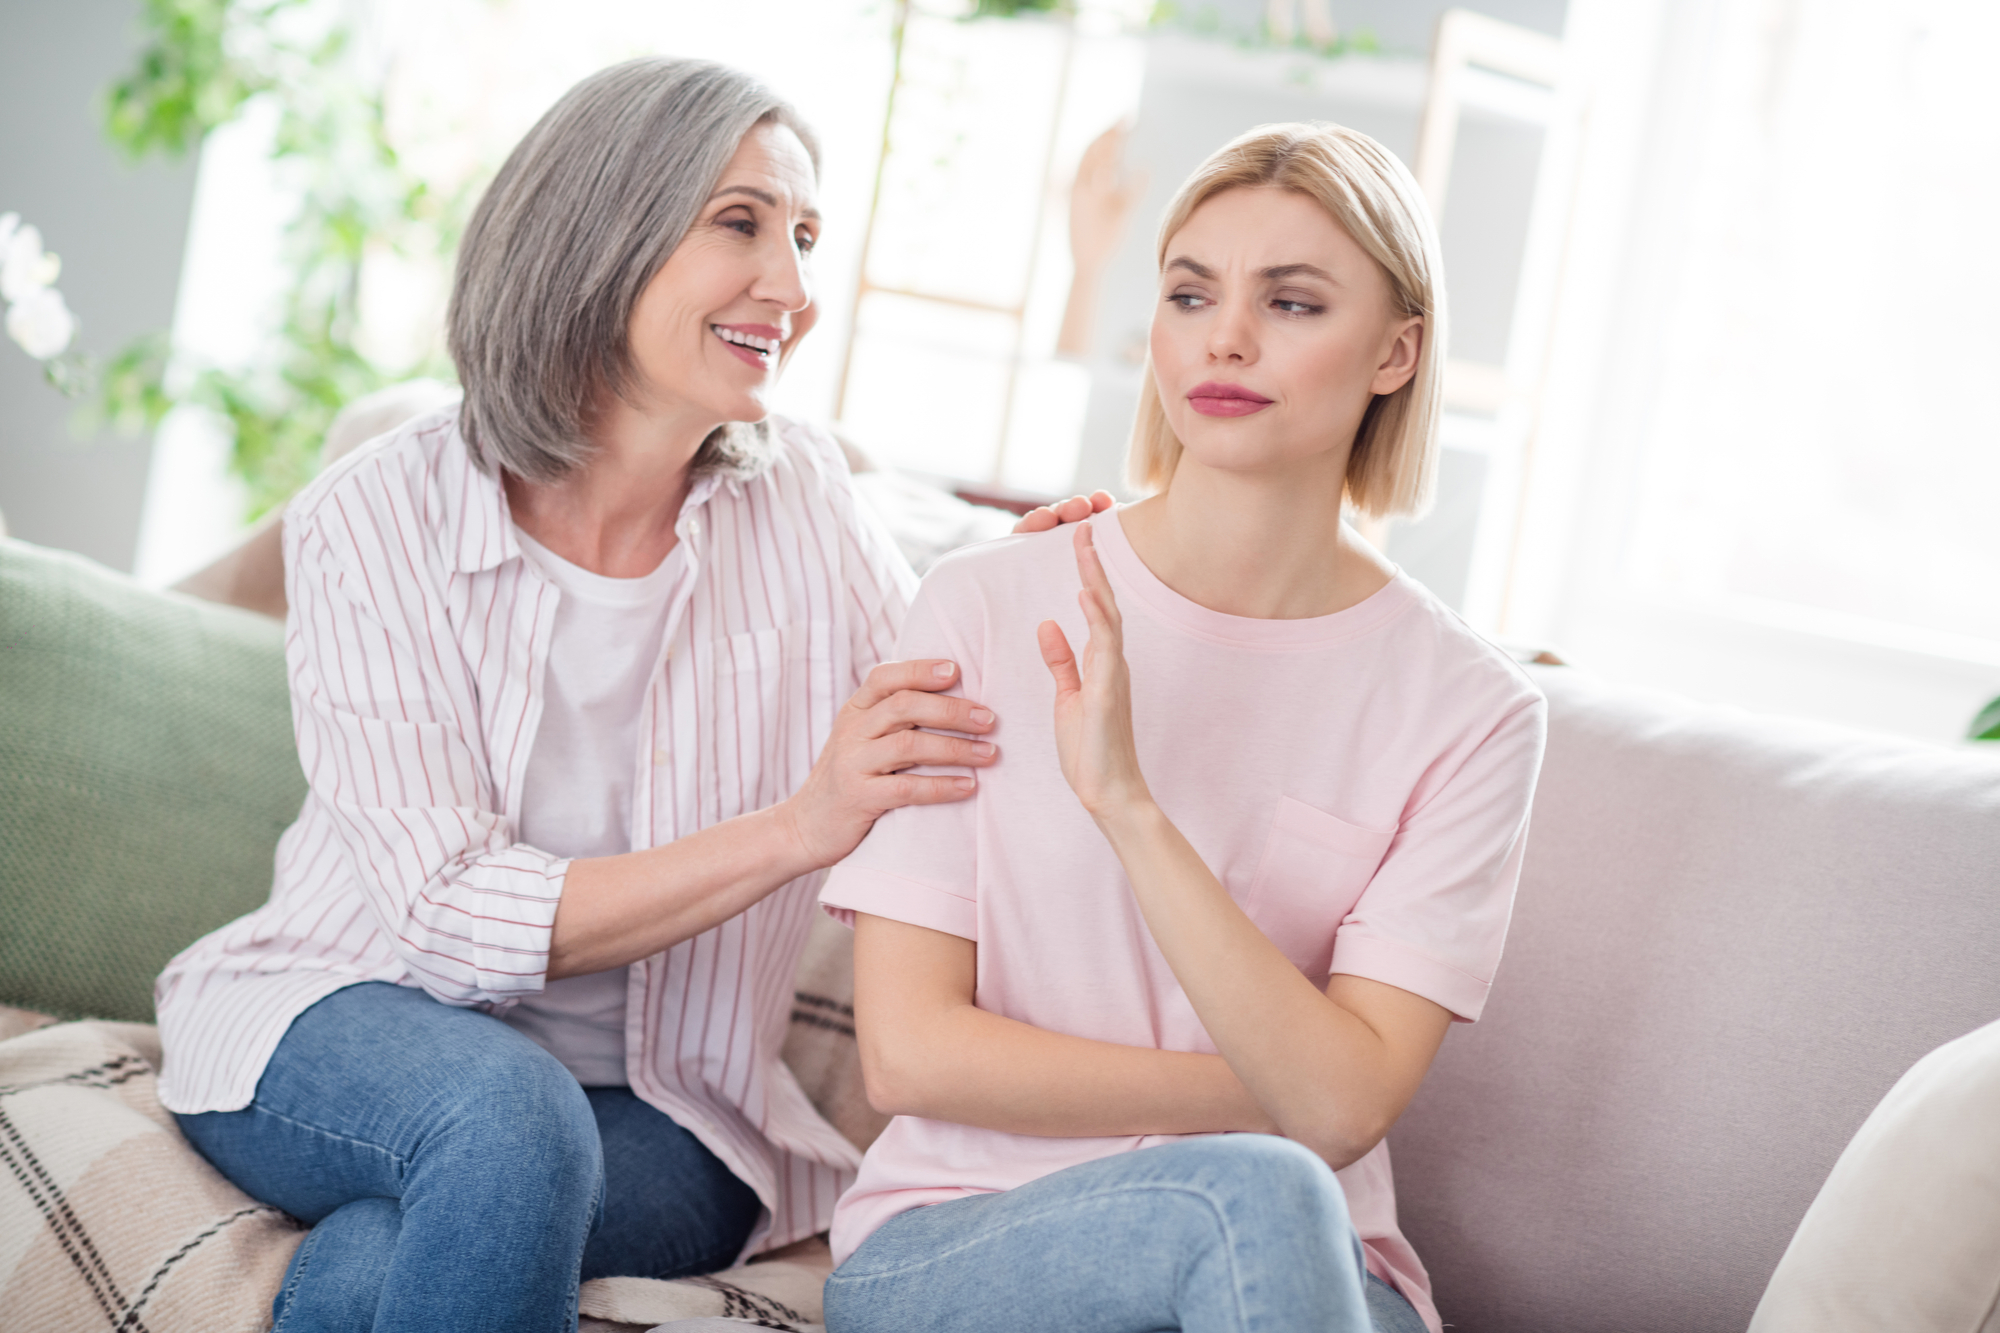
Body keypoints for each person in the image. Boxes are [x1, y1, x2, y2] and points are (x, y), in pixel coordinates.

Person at [155, 57, 1102, 1333]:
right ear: (600, 229)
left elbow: (952, 706)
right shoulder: (375, 514)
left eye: (806, 238)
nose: (794, 287)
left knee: (408, 1259)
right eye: (742, 222)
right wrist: (794, 827)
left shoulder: (808, 505)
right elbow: (441, 912)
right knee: (503, 1117)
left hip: (668, 1109)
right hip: (336, 1023)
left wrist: (1029, 592)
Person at [820, 122, 1547, 1333]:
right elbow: (907, 1052)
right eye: (1188, 291)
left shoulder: (1467, 711)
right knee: (1249, 1192)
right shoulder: (988, 602)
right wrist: (1273, 1100)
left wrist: (1129, 809)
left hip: (1305, 1264)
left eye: (1293, 301)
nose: (1225, 336)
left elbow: (1350, 1102)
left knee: (1261, 1210)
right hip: (966, 1235)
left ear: (1394, 352)